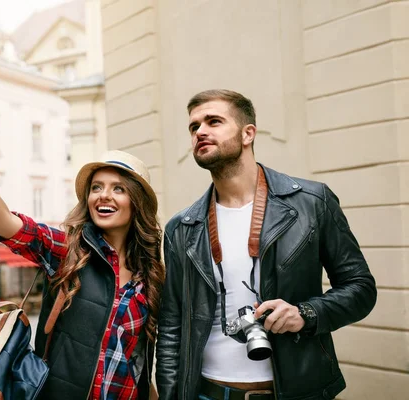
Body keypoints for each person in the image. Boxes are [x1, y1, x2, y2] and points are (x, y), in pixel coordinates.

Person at [0, 104, 164, 400]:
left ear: (136, 201)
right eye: (97, 187)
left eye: (118, 189)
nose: (103, 195)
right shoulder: (69, 251)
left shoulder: (151, 275)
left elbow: (138, 360)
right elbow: (5, 222)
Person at [156, 90, 377, 400]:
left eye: (213, 121)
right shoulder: (181, 228)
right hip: (209, 392)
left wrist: (306, 314)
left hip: (298, 392)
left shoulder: (312, 203)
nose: (200, 132)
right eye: (194, 127)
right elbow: (171, 325)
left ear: (248, 134)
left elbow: (361, 288)